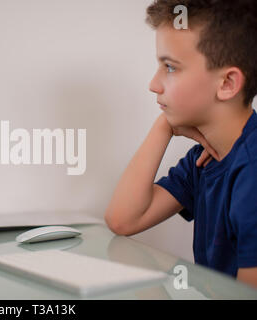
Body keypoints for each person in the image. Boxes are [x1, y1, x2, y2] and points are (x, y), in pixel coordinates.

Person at [105, 0, 257, 288]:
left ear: (226, 84)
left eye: (170, 67)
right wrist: (164, 126)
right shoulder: (204, 160)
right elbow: (123, 220)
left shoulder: (252, 171)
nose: (153, 83)